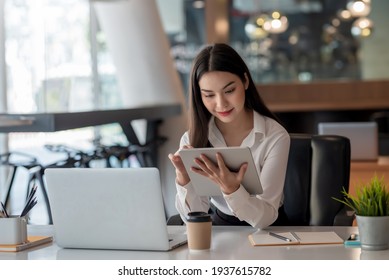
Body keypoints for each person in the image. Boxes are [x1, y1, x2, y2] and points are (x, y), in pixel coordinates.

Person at [168, 43, 290, 229]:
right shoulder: (192, 139)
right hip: (221, 228)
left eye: (229, 91)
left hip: (269, 231)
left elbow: (266, 217)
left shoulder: (274, 136)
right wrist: (184, 179)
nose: (221, 104)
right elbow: (192, 218)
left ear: (245, 81)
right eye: (209, 95)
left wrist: (232, 190)